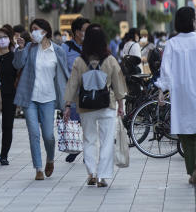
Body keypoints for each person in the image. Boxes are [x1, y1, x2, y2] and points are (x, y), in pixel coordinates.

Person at [156, 7, 196, 185]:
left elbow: (166, 70)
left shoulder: (172, 44)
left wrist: (162, 90)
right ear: (193, 21)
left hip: (181, 93)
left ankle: (192, 171)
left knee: (185, 132)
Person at [63, 25, 126, 187]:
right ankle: (102, 176)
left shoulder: (79, 60)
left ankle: (91, 172)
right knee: (106, 141)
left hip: (86, 106)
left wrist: (68, 105)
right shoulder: (110, 60)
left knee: (89, 139)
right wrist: (120, 104)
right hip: (107, 105)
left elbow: (72, 84)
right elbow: (119, 84)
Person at [13, 18, 69, 181]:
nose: (33, 32)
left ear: (45, 31)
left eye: (36, 29)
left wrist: (67, 101)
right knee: (34, 133)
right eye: (32, 30)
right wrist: (20, 48)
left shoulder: (57, 50)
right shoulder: (29, 48)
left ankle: (50, 159)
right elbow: (17, 64)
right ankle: (38, 168)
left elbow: (64, 75)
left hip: (49, 98)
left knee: (48, 135)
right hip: (30, 97)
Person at [0, 28, 20, 165]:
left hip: (10, 95)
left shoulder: (14, 57)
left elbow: (19, 76)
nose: (2, 40)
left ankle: (4, 155)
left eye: (5, 37)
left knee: (8, 125)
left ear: (10, 39)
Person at [62, 17, 88, 163]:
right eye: (85, 30)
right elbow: (62, 68)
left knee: (87, 123)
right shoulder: (66, 48)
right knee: (73, 123)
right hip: (73, 92)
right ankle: (75, 147)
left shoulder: (91, 46)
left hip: (88, 92)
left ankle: (87, 153)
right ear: (77, 32)